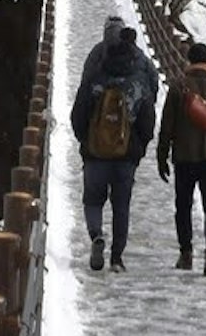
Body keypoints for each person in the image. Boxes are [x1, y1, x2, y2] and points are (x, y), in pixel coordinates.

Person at [68, 17, 159, 272]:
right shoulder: (139, 76)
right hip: (126, 153)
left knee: (93, 200)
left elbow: (79, 113)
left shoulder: (96, 72)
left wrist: (85, 140)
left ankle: (96, 234)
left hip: (96, 152)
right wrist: (138, 148)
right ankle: (117, 258)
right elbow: (148, 118)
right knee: (122, 206)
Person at [158, 49, 206, 273]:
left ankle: (186, 254)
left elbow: (167, 124)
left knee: (183, 206)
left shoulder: (178, 86)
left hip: (185, 156)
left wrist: (162, 155)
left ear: (189, 60)